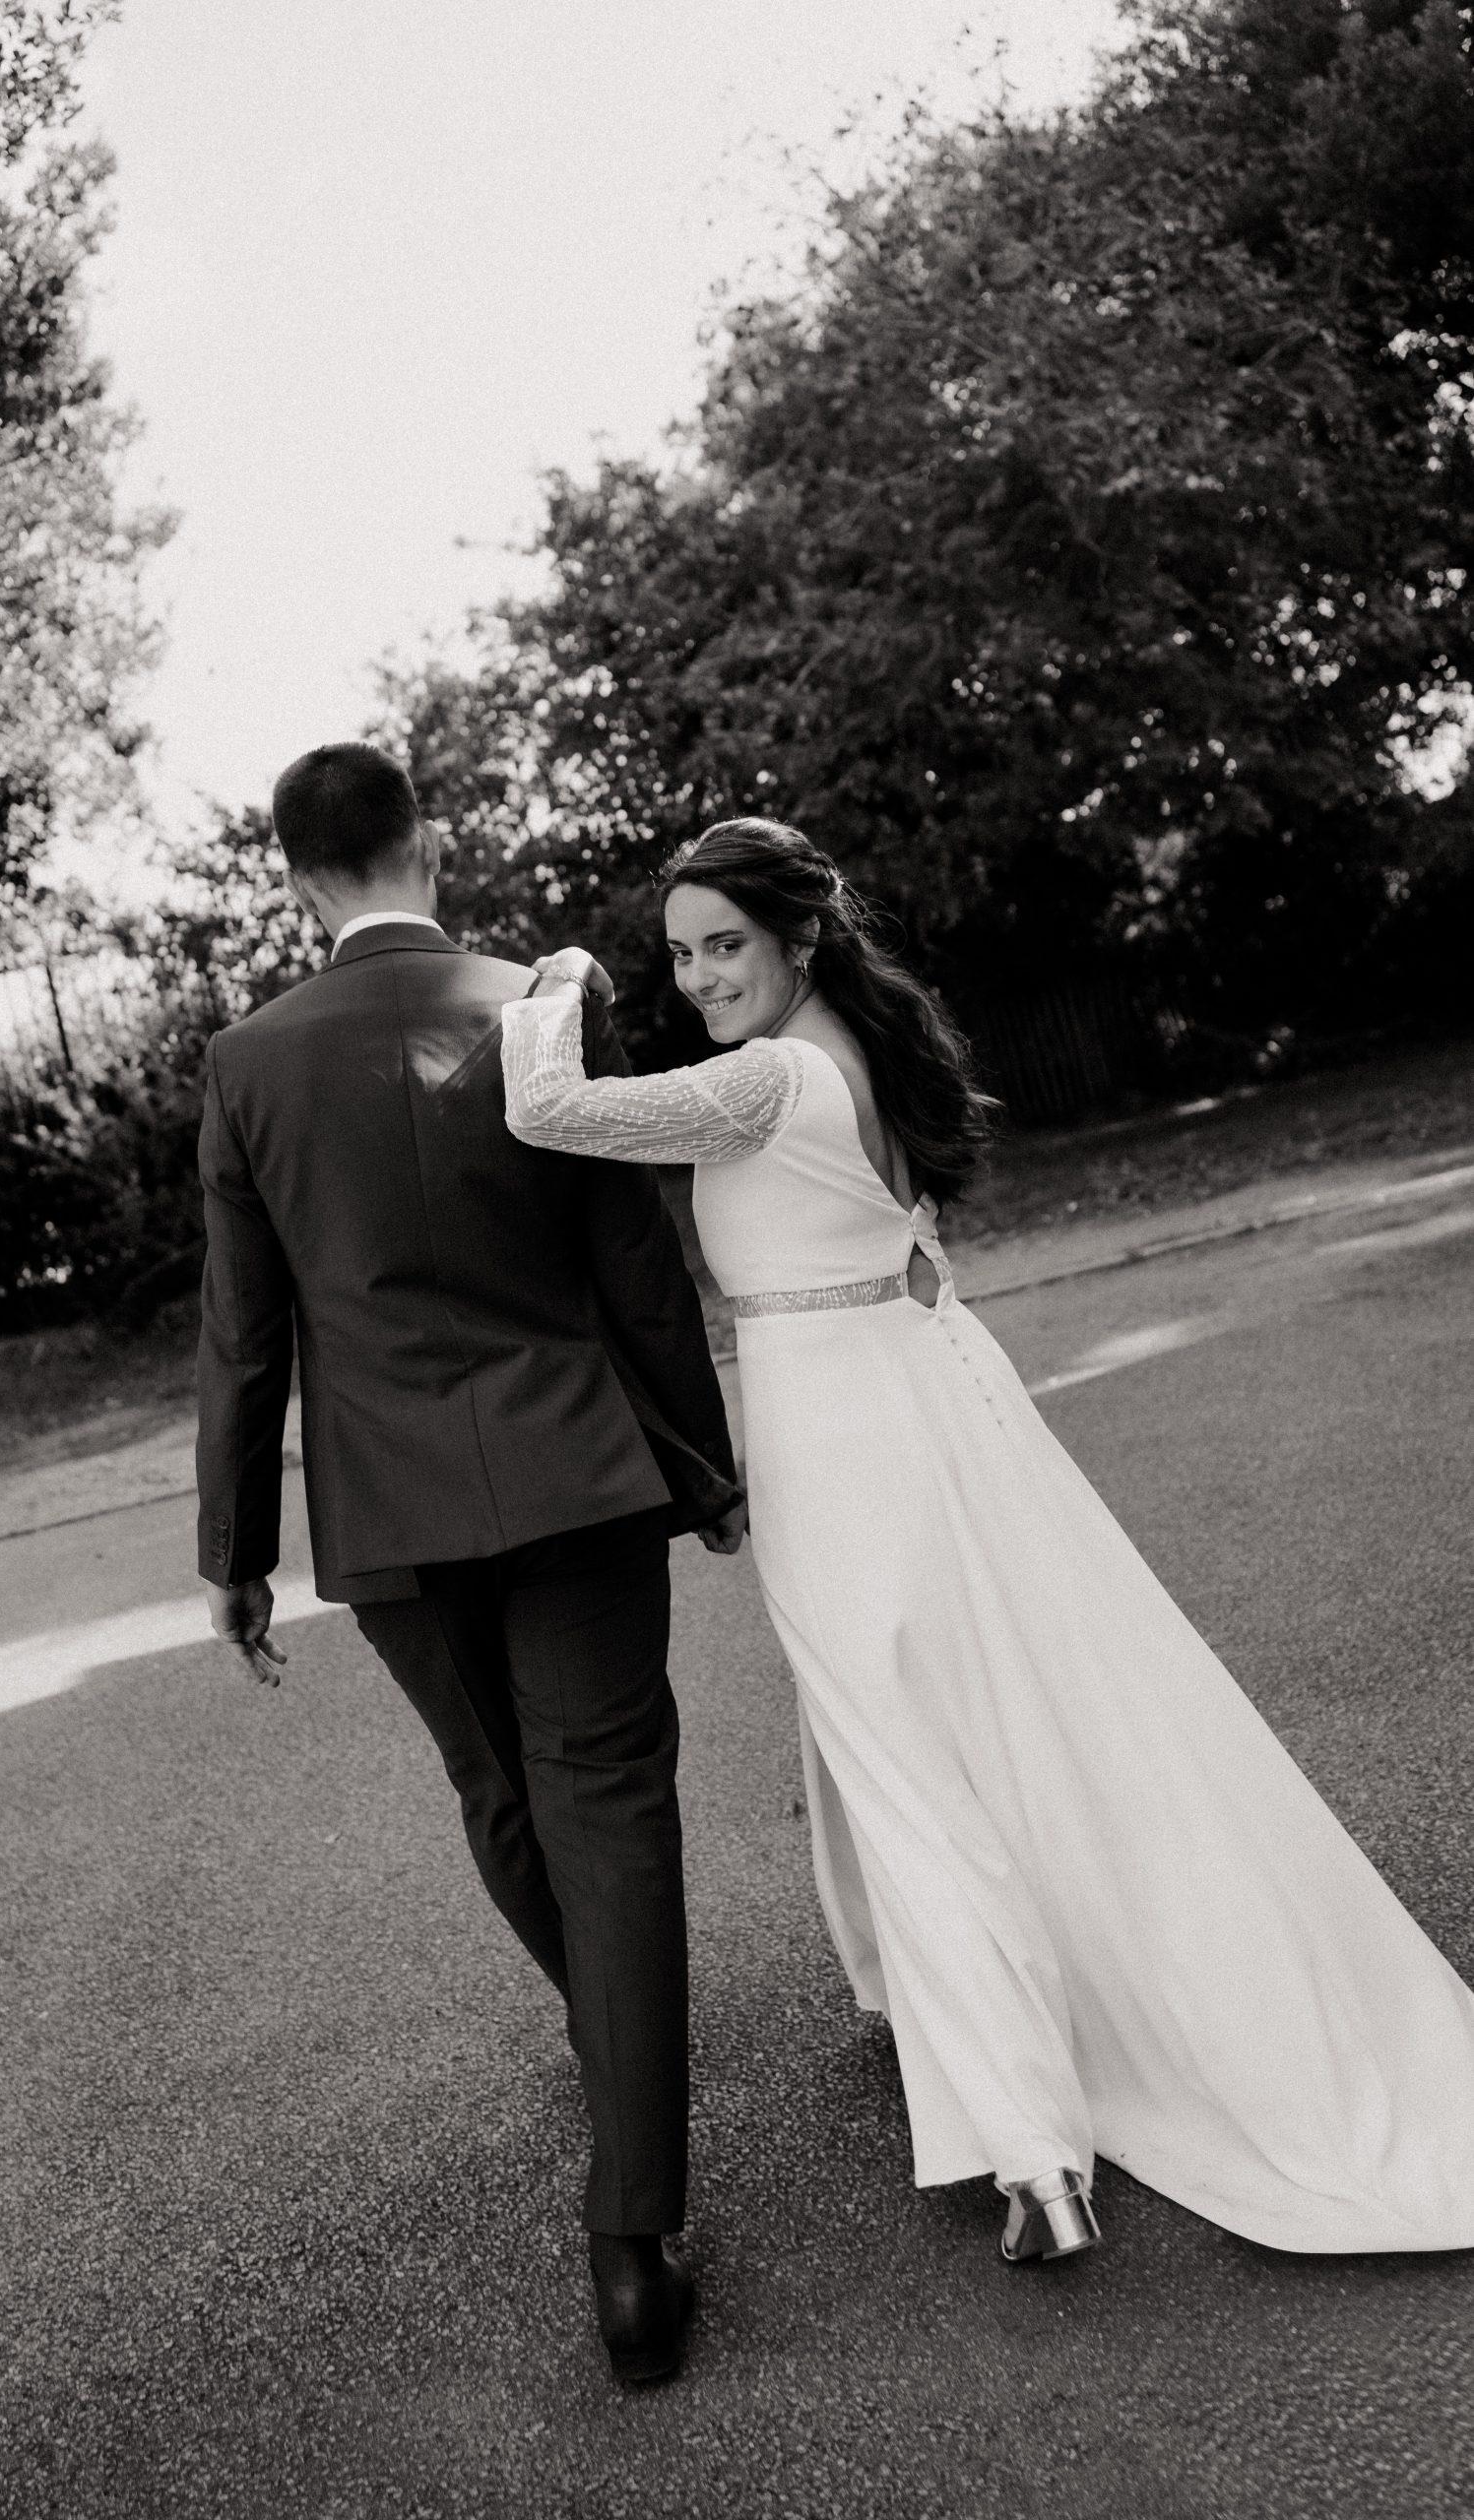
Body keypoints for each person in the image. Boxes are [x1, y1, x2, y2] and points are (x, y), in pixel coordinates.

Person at [501, 813, 1474, 2263]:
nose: (701, 978)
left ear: (798, 940)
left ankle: (1029, 2147)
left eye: (726, 947)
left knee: (905, 1757)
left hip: (843, 1437)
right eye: (683, 954)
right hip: (913, 1395)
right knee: (945, 1727)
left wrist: (549, 988)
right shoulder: (863, 1053)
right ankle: (924, 2002)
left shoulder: (764, 1082)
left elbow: (548, 1112)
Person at [196, 743, 746, 2383]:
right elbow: (634, 1263)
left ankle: (621, 2070)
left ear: (297, 879)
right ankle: (633, 2238)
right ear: (429, 843)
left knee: (505, 1800)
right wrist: (701, 1462)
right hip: (578, 1471)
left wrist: (234, 1552)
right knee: (609, 1801)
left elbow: (243, 1337)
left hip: (390, 1521)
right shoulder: (537, 1006)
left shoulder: (246, 1062)